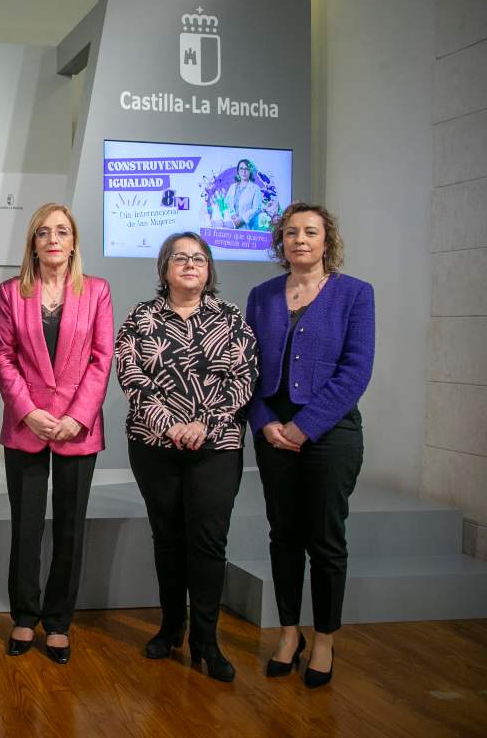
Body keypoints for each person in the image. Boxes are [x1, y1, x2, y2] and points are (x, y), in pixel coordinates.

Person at [115, 232, 258, 682]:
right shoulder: (140, 318)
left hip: (216, 446)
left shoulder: (232, 319)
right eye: (180, 258)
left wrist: (203, 425)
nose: (190, 265)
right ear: (164, 269)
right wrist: (169, 424)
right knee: (168, 537)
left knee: (209, 542)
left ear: (209, 269)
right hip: (154, 445)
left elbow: (244, 377)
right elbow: (131, 375)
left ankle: (206, 641)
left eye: (199, 258)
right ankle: (170, 627)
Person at [246, 202, 374, 688]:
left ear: (327, 240)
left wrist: (306, 426)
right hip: (273, 433)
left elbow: (356, 371)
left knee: (325, 539)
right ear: (281, 242)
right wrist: (263, 422)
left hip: (330, 434)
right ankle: (288, 633)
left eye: (311, 232)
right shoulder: (261, 296)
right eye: (291, 232)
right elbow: (248, 370)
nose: (300, 239)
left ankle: (324, 639)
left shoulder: (355, 295)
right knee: (284, 536)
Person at [0, 203, 114, 664]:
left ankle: (59, 622)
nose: (53, 240)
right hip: (26, 426)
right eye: (44, 233)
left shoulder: (97, 291)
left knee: (70, 527)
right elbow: (4, 357)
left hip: (76, 429)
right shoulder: (10, 292)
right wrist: (27, 412)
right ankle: (24, 617)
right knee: (25, 528)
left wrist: (77, 417)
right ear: (33, 243)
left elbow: (102, 359)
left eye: (62, 231)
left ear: (73, 241)